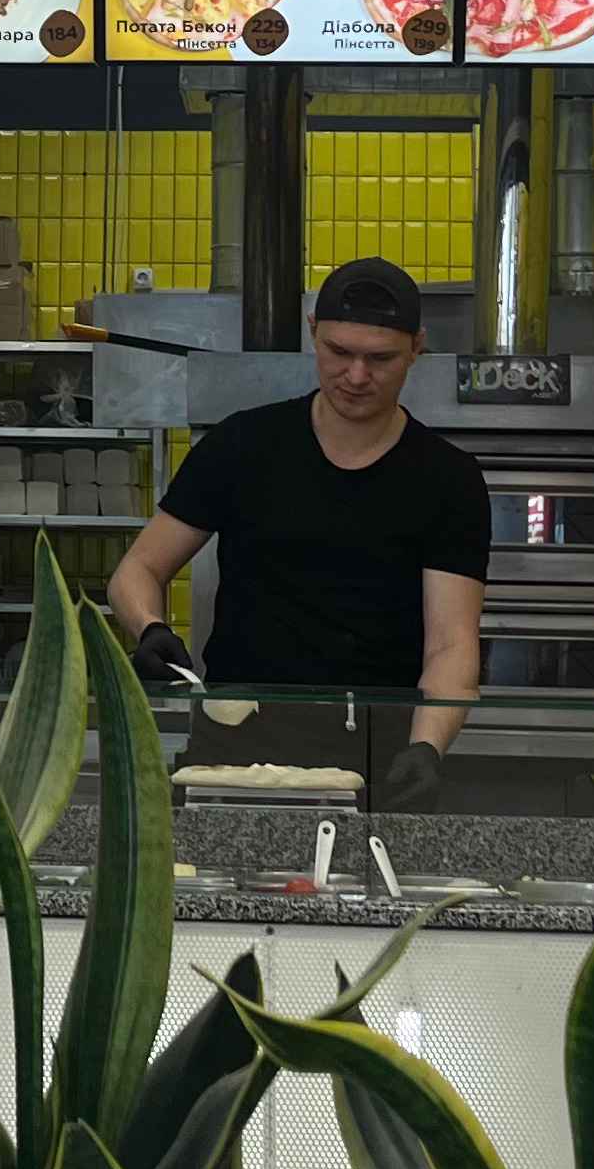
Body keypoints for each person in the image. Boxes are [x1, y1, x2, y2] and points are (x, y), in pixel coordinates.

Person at [107, 256, 488, 807]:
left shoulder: (448, 479)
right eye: (340, 352)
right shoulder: (242, 445)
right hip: (232, 750)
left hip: (377, 756)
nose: (356, 376)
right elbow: (138, 569)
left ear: (416, 349)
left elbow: (452, 643)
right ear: (313, 332)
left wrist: (427, 747)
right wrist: (150, 628)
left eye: (380, 358)